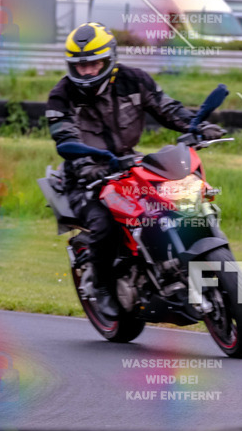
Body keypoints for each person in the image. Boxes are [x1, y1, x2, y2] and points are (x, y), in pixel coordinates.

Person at [46, 22, 225, 318]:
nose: (87, 72)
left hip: (128, 164)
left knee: (176, 199)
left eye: (94, 64)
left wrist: (198, 127)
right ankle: (102, 287)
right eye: (80, 67)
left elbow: (168, 109)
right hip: (84, 177)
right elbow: (65, 138)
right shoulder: (61, 96)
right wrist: (86, 165)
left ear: (109, 59)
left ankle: (172, 267)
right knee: (104, 223)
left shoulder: (134, 80)